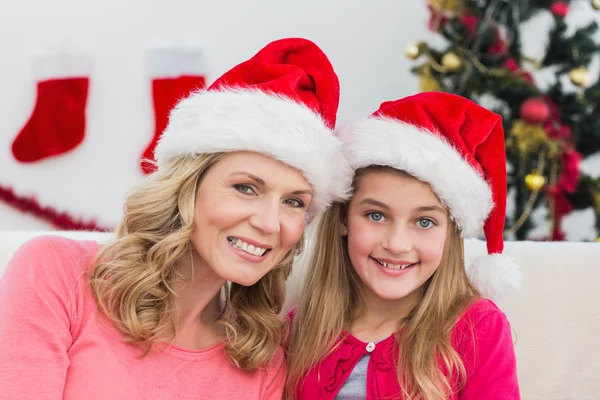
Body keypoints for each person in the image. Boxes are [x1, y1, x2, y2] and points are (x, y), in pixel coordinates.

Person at [0, 38, 352, 399]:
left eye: (294, 201)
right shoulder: (58, 273)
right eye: (246, 188)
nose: (269, 223)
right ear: (188, 186)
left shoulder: (261, 361)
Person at [285, 92, 522, 400]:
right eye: (376, 215)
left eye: (424, 222)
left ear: (450, 233)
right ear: (344, 218)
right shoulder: (300, 329)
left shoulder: (477, 330)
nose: (397, 245)